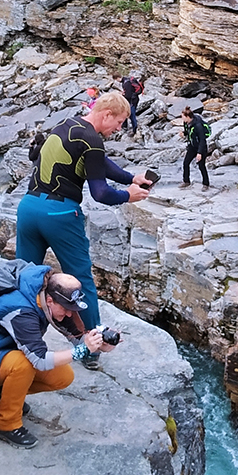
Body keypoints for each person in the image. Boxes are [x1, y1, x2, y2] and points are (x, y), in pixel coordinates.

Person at [16, 91, 150, 370]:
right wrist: (128, 195)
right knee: (81, 282)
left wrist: (130, 177)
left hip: (28, 208)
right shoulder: (93, 139)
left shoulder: (67, 125)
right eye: (120, 122)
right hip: (61, 215)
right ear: (106, 114)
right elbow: (100, 192)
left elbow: (97, 163)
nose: (119, 128)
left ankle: (17, 340)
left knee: (24, 276)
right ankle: (91, 349)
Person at [0, 262, 112, 448]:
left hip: (2, 350)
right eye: (66, 308)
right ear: (50, 301)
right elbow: (40, 360)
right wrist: (83, 351)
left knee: (63, 376)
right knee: (23, 365)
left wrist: (100, 345)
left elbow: (76, 336)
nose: (69, 314)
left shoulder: (46, 292)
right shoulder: (21, 311)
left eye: (72, 308)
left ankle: (3, 393)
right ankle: (6, 425)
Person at [180, 106, 211, 189]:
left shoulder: (198, 125)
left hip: (201, 148)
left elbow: (202, 140)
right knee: (186, 163)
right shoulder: (186, 123)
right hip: (192, 146)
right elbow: (189, 132)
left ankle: (206, 184)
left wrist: (200, 153)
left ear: (187, 117)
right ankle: (186, 181)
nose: (181, 118)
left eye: (182, 116)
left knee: (201, 166)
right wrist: (184, 133)